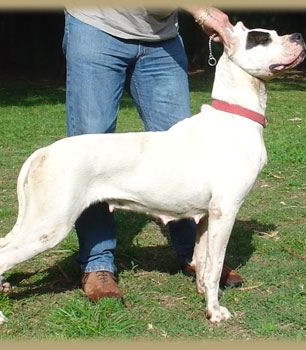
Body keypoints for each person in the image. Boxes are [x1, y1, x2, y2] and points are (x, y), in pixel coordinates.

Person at [62, 6, 243, 302]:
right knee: (91, 153)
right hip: (96, 24)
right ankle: (97, 263)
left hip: (161, 37)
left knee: (186, 156)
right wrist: (201, 11)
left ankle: (199, 256)